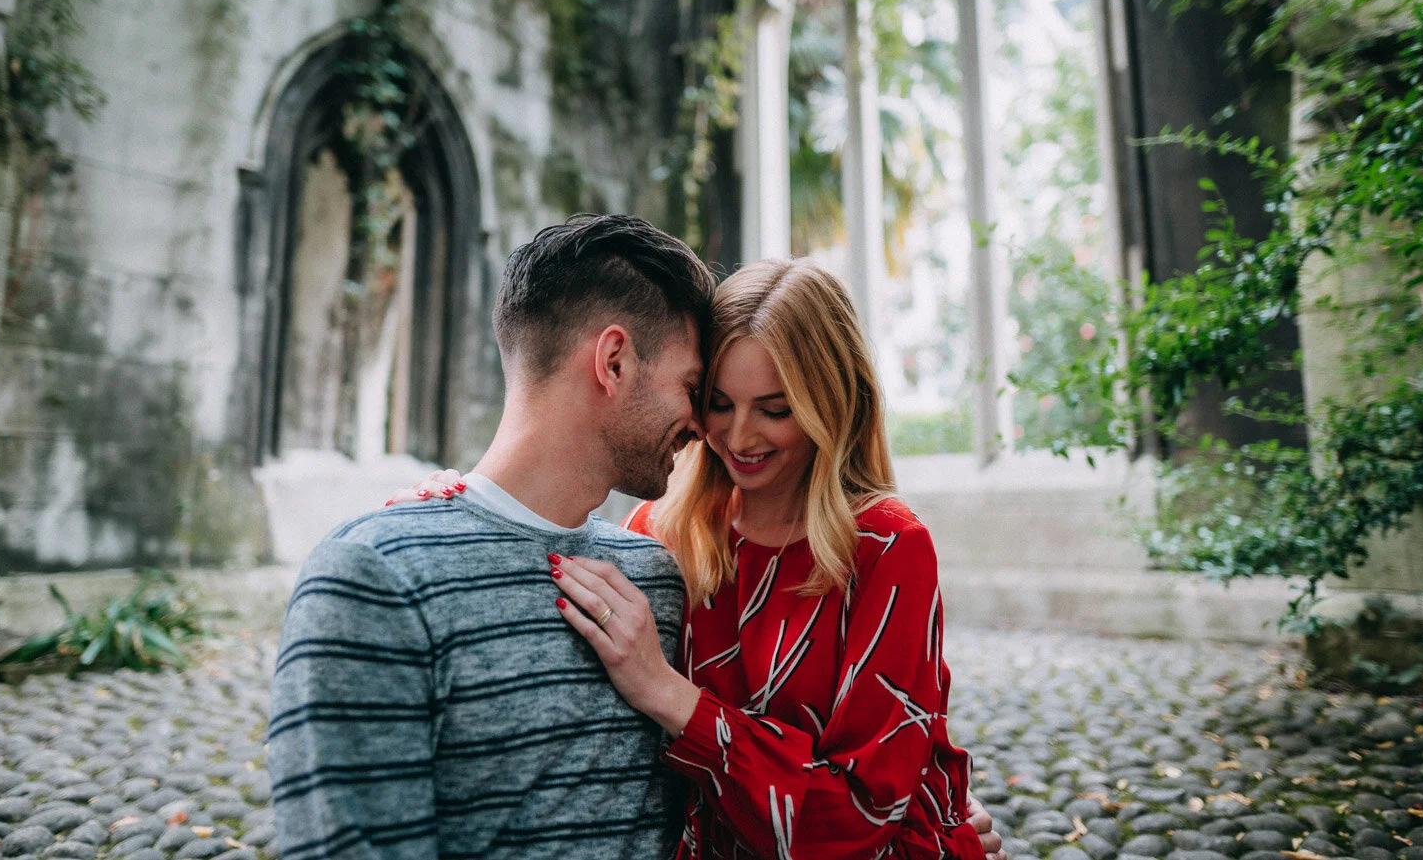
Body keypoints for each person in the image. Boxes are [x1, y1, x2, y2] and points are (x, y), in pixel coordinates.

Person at [403, 258, 1005, 860]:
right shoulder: (662, 530)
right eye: (718, 403)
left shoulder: (887, 547)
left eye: (775, 409)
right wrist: (460, 510)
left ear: (834, 402)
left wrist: (668, 694)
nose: (740, 438)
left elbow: (860, 813)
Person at [267, 214, 716, 860]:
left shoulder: (655, 578)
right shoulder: (372, 578)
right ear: (613, 361)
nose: (703, 424)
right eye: (692, 389)